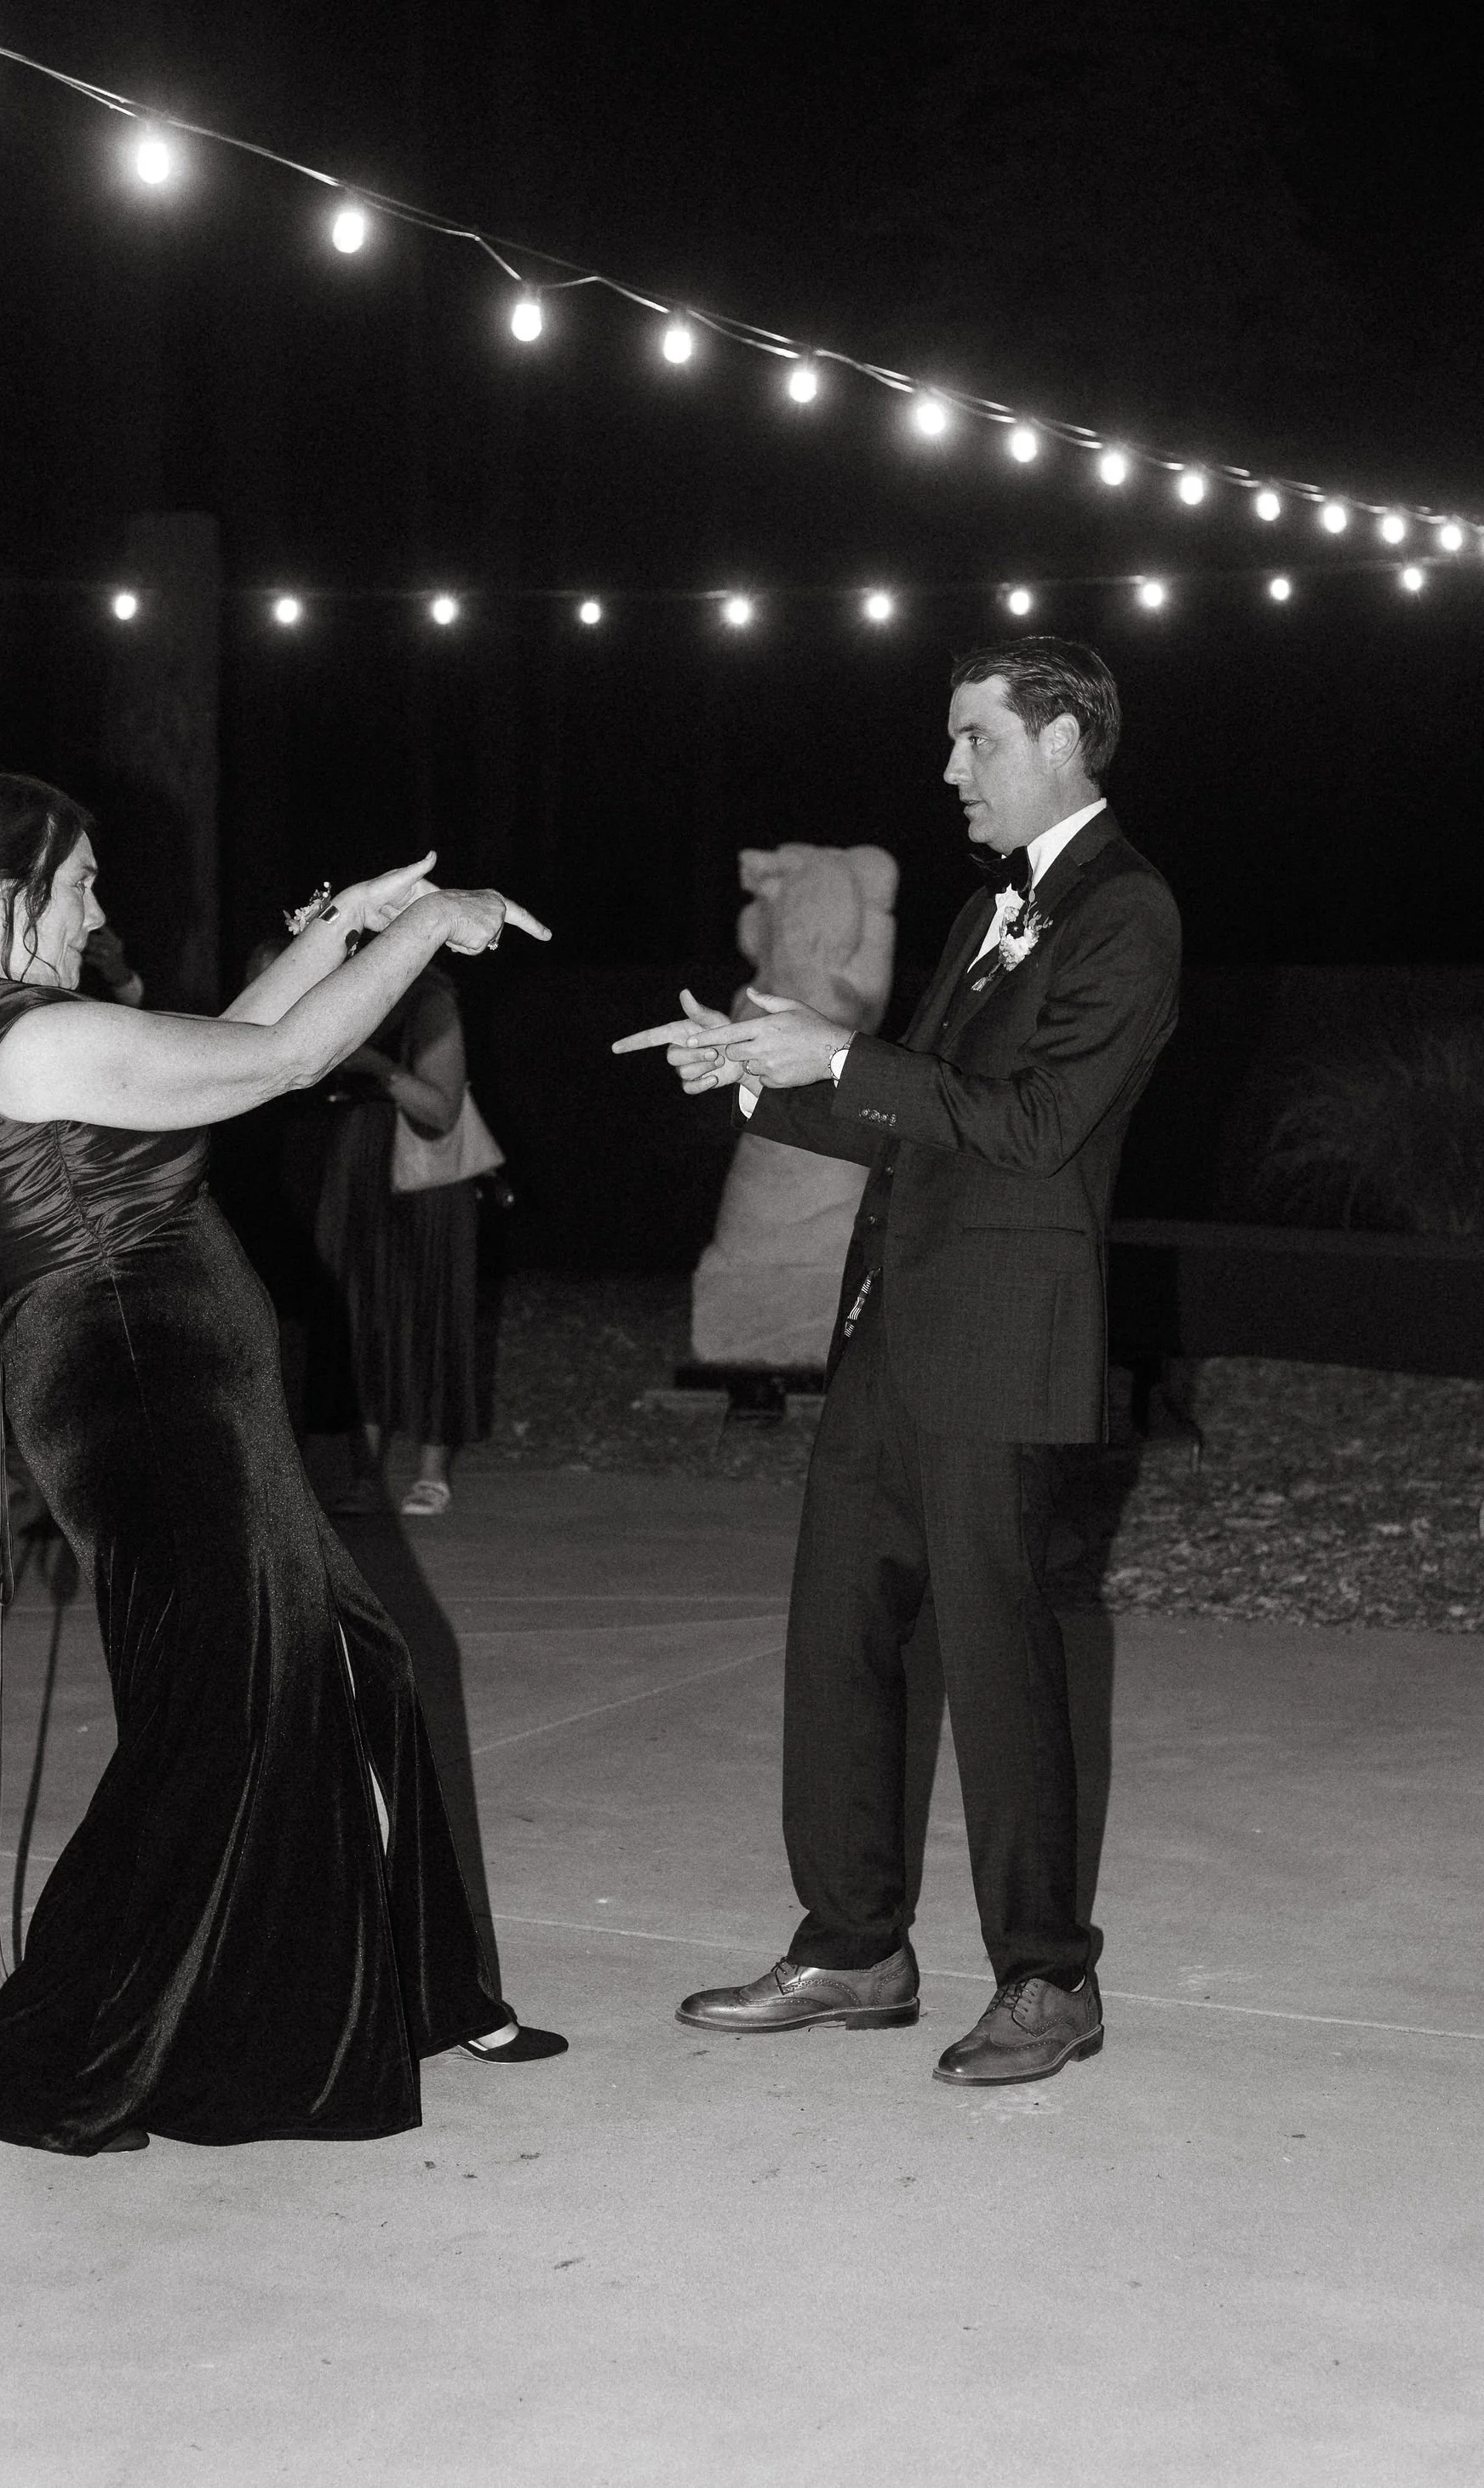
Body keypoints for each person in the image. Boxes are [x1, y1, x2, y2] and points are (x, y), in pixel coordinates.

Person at [0, 771, 560, 2156]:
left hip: (166, 1385)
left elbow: (230, 1031)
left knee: (351, 1667)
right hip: (144, 1396)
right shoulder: (27, 1039)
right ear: (9, 889)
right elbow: (281, 1064)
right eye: (78, 885)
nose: (98, 910)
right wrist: (435, 925)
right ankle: (56, 2062)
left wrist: (345, 926)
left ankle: (426, 1987)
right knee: (211, 1730)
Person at [616, 639, 1181, 2087]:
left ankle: (1046, 1978)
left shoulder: (1126, 912)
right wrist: (755, 1067)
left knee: (998, 1665)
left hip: (1000, 1345)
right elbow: (911, 1115)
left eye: (971, 739)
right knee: (833, 1635)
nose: (948, 769)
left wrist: (838, 1056)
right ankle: (852, 1941)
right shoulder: (992, 910)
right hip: (894, 1333)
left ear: (1060, 738)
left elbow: (1032, 1124)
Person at [312, 961, 489, 1517]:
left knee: (431, 1310)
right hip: (359, 1164)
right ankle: (364, 1475)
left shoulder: (430, 1001)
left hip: (424, 1169)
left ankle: (432, 1471)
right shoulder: (348, 995)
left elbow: (442, 1107)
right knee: (358, 1315)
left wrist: (376, 1067)